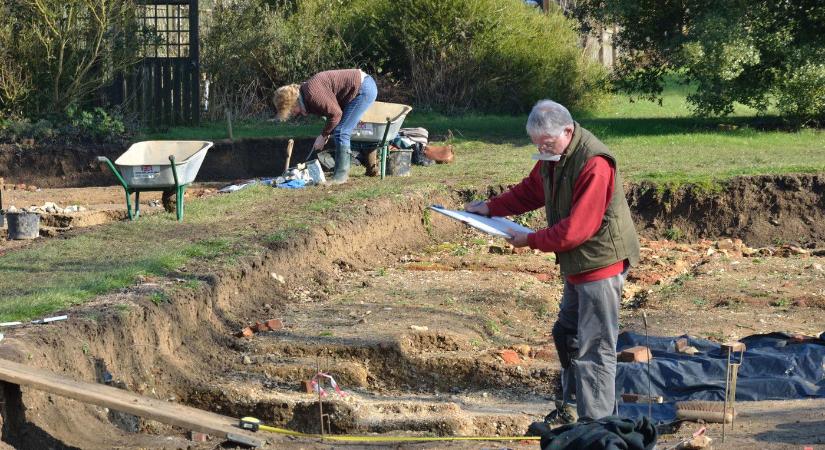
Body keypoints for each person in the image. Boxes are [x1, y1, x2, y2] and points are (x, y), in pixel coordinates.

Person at [465, 100, 640, 424]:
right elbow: (532, 189)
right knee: (566, 334)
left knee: (595, 349)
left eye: (546, 144)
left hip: (600, 265)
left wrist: (530, 240)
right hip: (577, 264)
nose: (542, 151)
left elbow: (577, 230)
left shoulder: (595, 164)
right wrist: (490, 208)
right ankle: (572, 408)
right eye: (537, 145)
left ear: (568, 131)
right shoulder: (554, 155)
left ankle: (596, 426)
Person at [273, 69, 378, 184]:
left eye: (291, 111)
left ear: (293, 102)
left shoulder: (312, 94)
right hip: (360, 88)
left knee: (341, 132)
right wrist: (327, 132)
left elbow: (336, 114)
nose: (293, 114)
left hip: (362, 89)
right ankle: (371, 168)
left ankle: (340, 177)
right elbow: (331, 113)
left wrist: (323, 135)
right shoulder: (306, 93)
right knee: (344, 130)